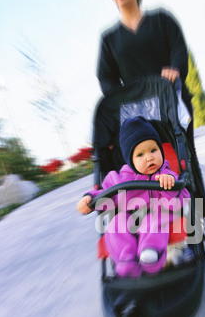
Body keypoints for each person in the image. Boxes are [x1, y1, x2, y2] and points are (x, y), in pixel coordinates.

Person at [77, 116, 190, 278]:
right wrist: (89, 199)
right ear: (130, 160)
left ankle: (150, 253)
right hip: (132, 219)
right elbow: (104, 193)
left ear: (160, 150)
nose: (149, 157)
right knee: (116, 222)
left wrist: (169, 186)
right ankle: (126, 261)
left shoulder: (166, 174)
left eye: (153, 150)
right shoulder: (119, 179)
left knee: (154, 219)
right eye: (140, 155)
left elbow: (178, 203)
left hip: (160, 214)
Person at [98, 0, 194, 146]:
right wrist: (122, 98)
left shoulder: (162, 18)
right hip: (139, 117)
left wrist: (175, 70)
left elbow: (179, 49)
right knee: (150, 166)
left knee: (184, 161)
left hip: (172, 104)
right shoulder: (108, 39)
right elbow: (106, 78)